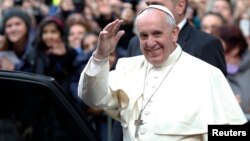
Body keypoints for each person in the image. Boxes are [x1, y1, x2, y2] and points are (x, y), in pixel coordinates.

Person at [78, 5, 247, 141]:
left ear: (174, 33)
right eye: (143, 36)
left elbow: (233, 132)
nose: (150, 43)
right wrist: (100, 56)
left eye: (157, 34)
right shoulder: (127, 67)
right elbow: (92, 97)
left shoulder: (207, 73)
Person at [126, 0, 227, 77]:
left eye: (157, 6)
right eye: (148, 5)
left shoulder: (207, 44)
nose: (150, 11)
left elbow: (215, 95)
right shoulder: (135, 43)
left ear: (180, 6)